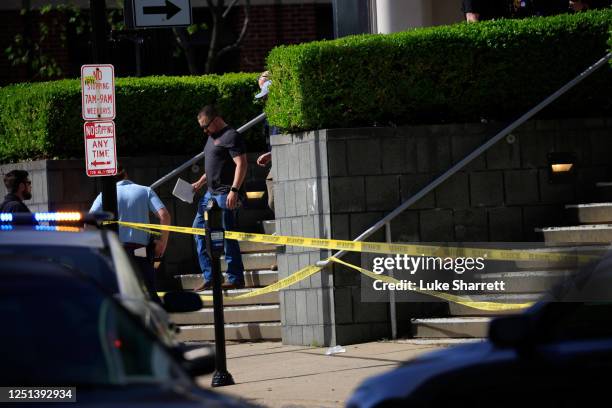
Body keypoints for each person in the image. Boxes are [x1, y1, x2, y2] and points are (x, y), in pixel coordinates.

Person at [90, 166, 171, 302]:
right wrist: (162, 243)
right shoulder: (145, 191)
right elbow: (164, 215)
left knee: (116, 297)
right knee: (149, 295)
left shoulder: (104, 195)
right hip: (140, 252)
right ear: (126, 174)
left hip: (116, 253)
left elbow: (89, 222)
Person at [192, 105, 247, 291]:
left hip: (225, 193)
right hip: (210, 193)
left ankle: (235, 277)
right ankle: (211, 276)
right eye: (202, 127)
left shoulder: (231, 136)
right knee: (197, 230)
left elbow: (241, 164)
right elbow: (214, 165)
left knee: (227, 234)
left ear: (215, 120)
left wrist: (234, 190)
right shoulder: (211, 138)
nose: (204, 131)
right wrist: (200, 182)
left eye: (205, 126)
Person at [255, 71, 280, 212]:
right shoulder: (270, 116)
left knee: (274, 201)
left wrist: (271, 154)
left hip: (280, 159)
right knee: (273, 201)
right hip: (275, 160)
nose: (264, 100)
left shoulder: (279, 114)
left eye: (266, 95)